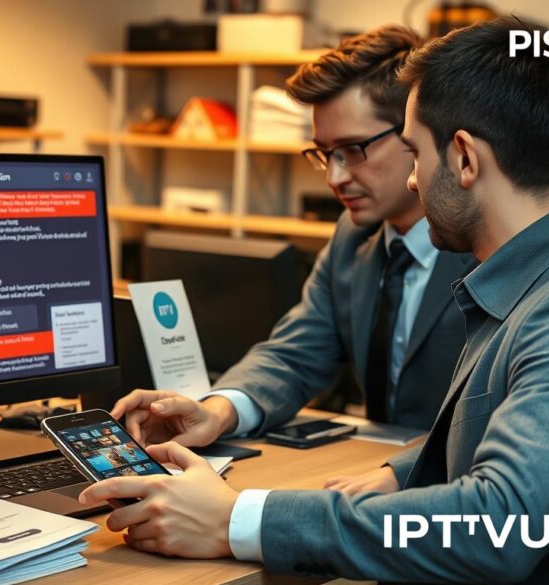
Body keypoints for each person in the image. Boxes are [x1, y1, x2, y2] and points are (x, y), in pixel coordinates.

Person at [80, 17, 549, 583]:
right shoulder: (540, 277)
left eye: (416, 152)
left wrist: (239, 518)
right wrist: (401, 473)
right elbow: (495, 437)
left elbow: (498, 528)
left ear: (463, 158)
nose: (411, 177)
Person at [112, 24, 475, 495]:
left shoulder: (484, 245)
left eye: (353, 150)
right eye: (324, 154)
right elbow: (294, 354)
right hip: (375, 481)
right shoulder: (353, 237)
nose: (334, 178)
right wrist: (217, 411)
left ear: (415, 134)